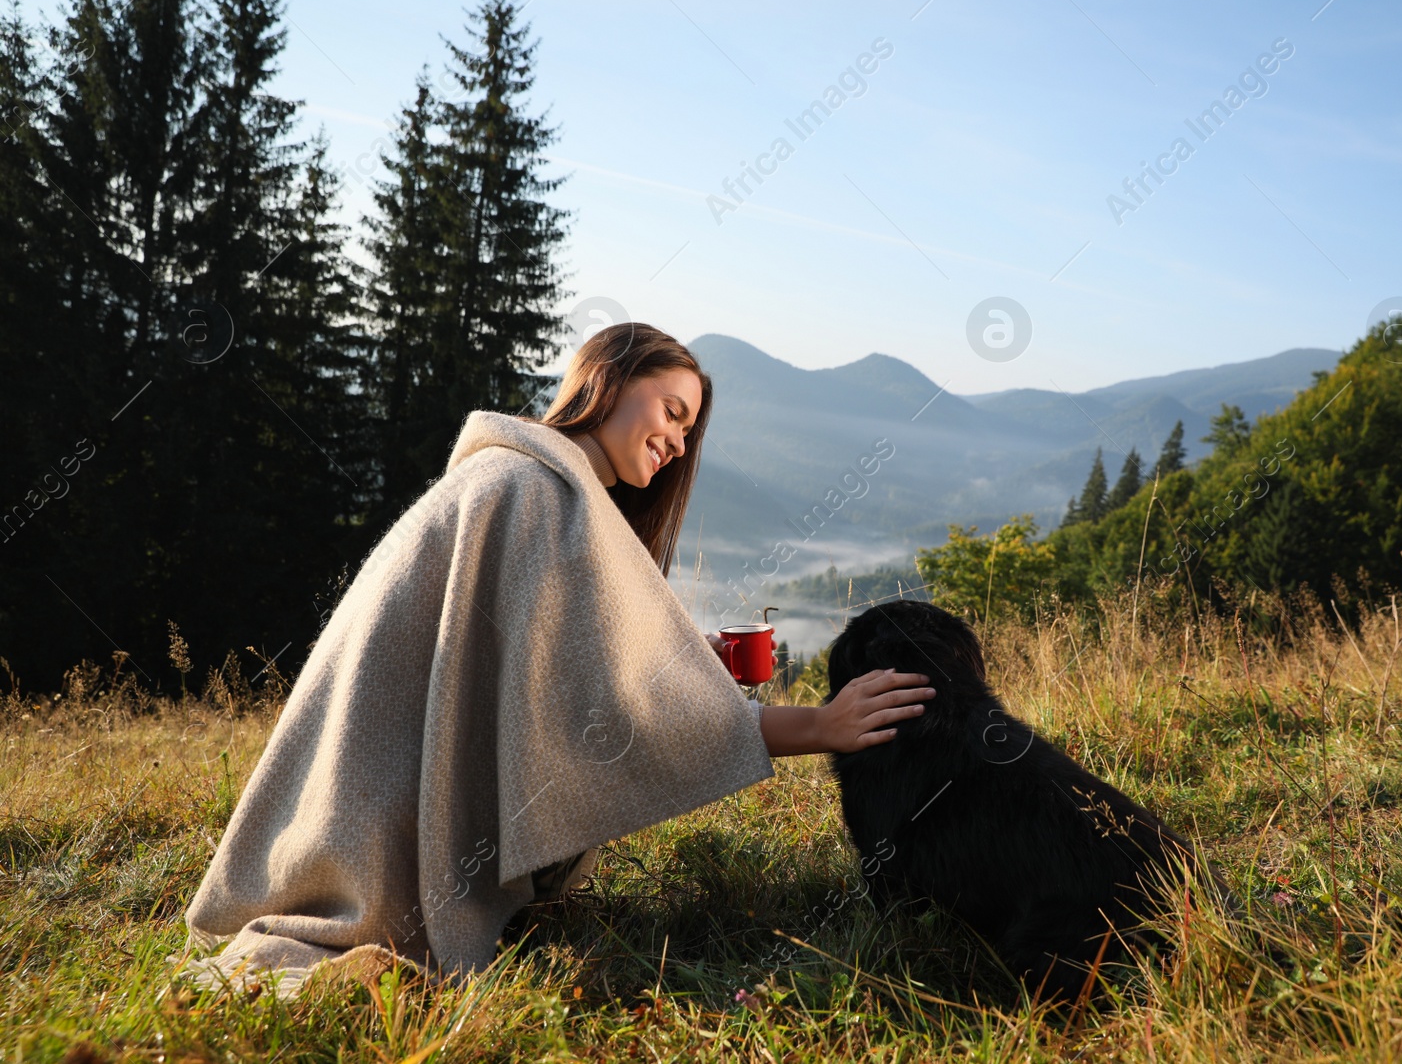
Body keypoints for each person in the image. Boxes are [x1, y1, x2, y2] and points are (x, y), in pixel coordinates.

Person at [180, 322, 932, 995]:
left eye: (688, 429)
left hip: (346, 810)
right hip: (377, 826)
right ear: (608, 379)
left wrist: (668, 657)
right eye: (671, 411)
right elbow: (602, 712)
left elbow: (544, 669)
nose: (676, 442)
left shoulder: (527, 480)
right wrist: (820, 726)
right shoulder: (538, 495)